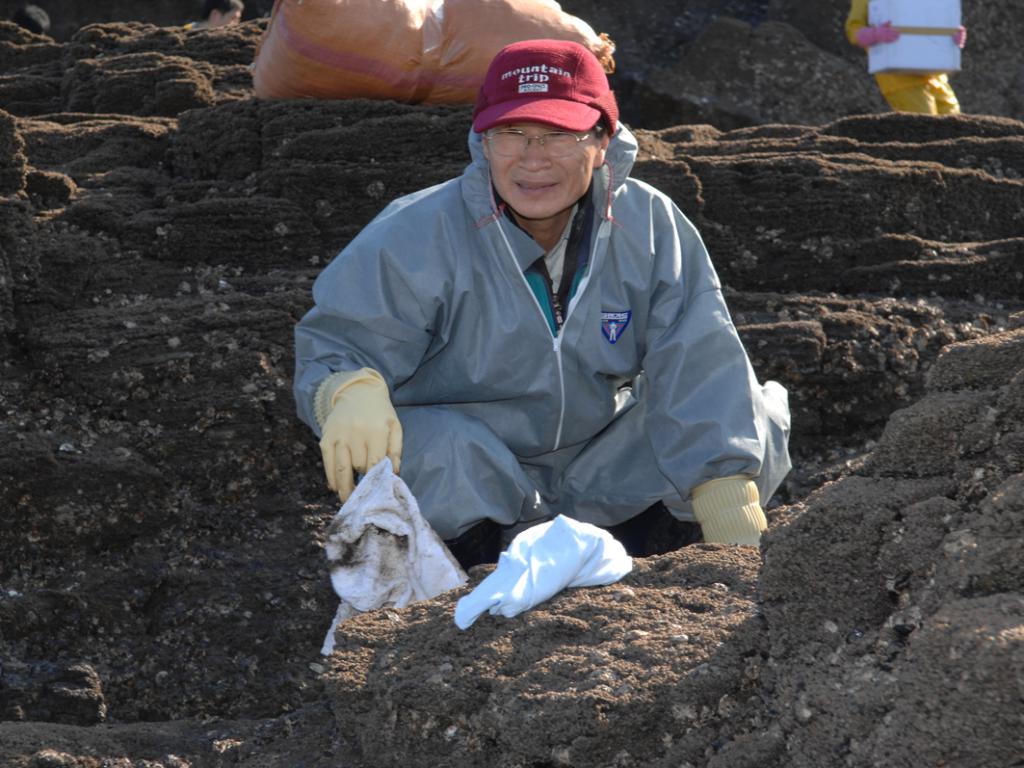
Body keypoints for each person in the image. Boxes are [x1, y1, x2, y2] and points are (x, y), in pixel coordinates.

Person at [293, 39, 791, 566]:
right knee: (425, 446)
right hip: (473, 484)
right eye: (511, 134)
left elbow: (700, 361)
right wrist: (347, 389)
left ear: (603, 140)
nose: (533, 158)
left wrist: (728, 506)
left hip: (603, 471)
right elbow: (338, 346)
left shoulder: (651, 225)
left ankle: (672, 565)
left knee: (754, 415)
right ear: (483, 143)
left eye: (559, 134)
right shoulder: (414, 233)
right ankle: (462, 581)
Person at [846, 0, 967, 115]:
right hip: (900, 80)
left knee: (955, 122)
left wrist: (952, 33)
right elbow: (853, 30)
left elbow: (936, 17)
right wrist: (875, 34)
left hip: (936, 76)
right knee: (925, 126)